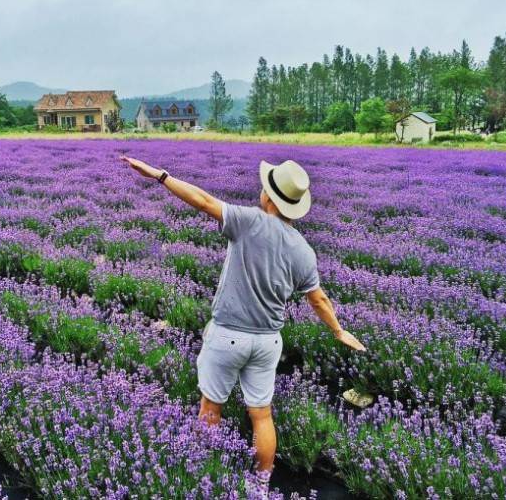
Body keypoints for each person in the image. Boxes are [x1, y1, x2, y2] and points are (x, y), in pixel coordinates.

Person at [120, 155, 366, 493]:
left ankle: (204, 476)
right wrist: (338, 331)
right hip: (268, 342)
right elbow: (319, 299)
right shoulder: (304, 251)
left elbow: (204, 201)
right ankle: (260, 488)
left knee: (211, 407)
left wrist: (160, 176)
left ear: (269, 197)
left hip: (228, 337)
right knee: (261, 416)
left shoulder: (249, 221)